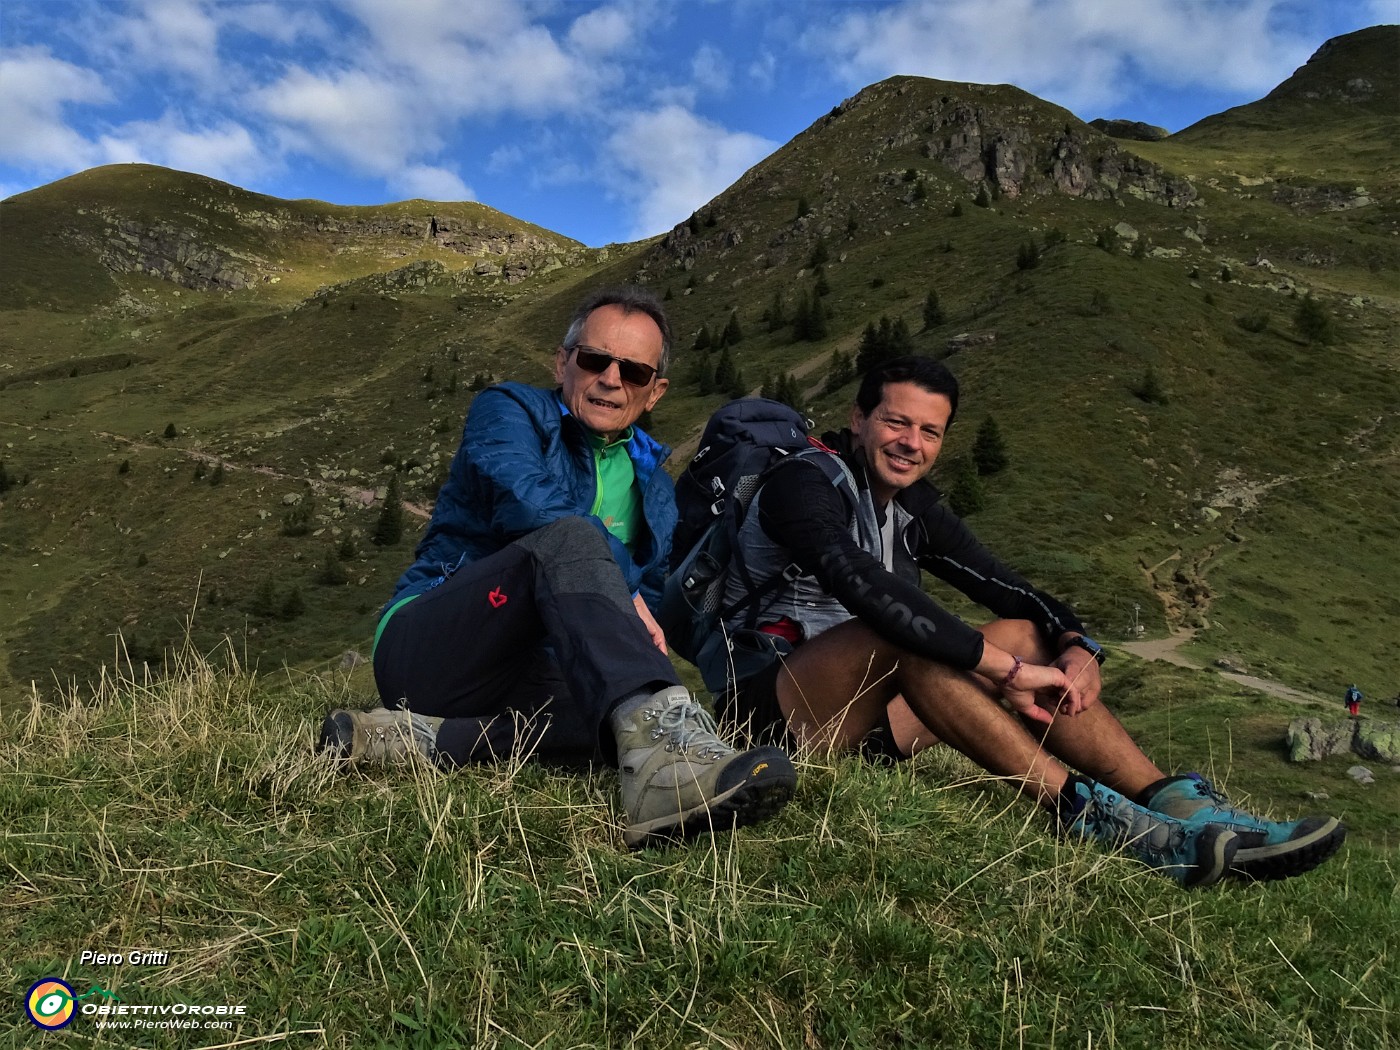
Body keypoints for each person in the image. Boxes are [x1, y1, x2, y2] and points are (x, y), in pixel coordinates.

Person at [708, 355, 1344, 887]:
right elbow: (861, 585)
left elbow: (1007, 586)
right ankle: (1092, 819)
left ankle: (1174, 804)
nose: (912, 442)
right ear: (858, 420)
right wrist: (1004, 671)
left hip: (866, 722)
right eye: (896, 421)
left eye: (930, 431)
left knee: (1024, 630)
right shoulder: (802, 483)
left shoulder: (910, 507)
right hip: (767, 712)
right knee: (905, 633)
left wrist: (1076, 646)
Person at [318, 286, 796, 848]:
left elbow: (625, 616)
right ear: (563, 361)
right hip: (433, 646)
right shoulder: (511, 410)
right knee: (570, 534)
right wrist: (624, 587)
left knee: (614, 716)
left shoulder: (656, 490)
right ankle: (664, 770)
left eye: (634, 372)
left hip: (532, 677)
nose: (611, 379)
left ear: (655, 391)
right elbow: (526, 502)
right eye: (595, 359)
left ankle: (420, 741)